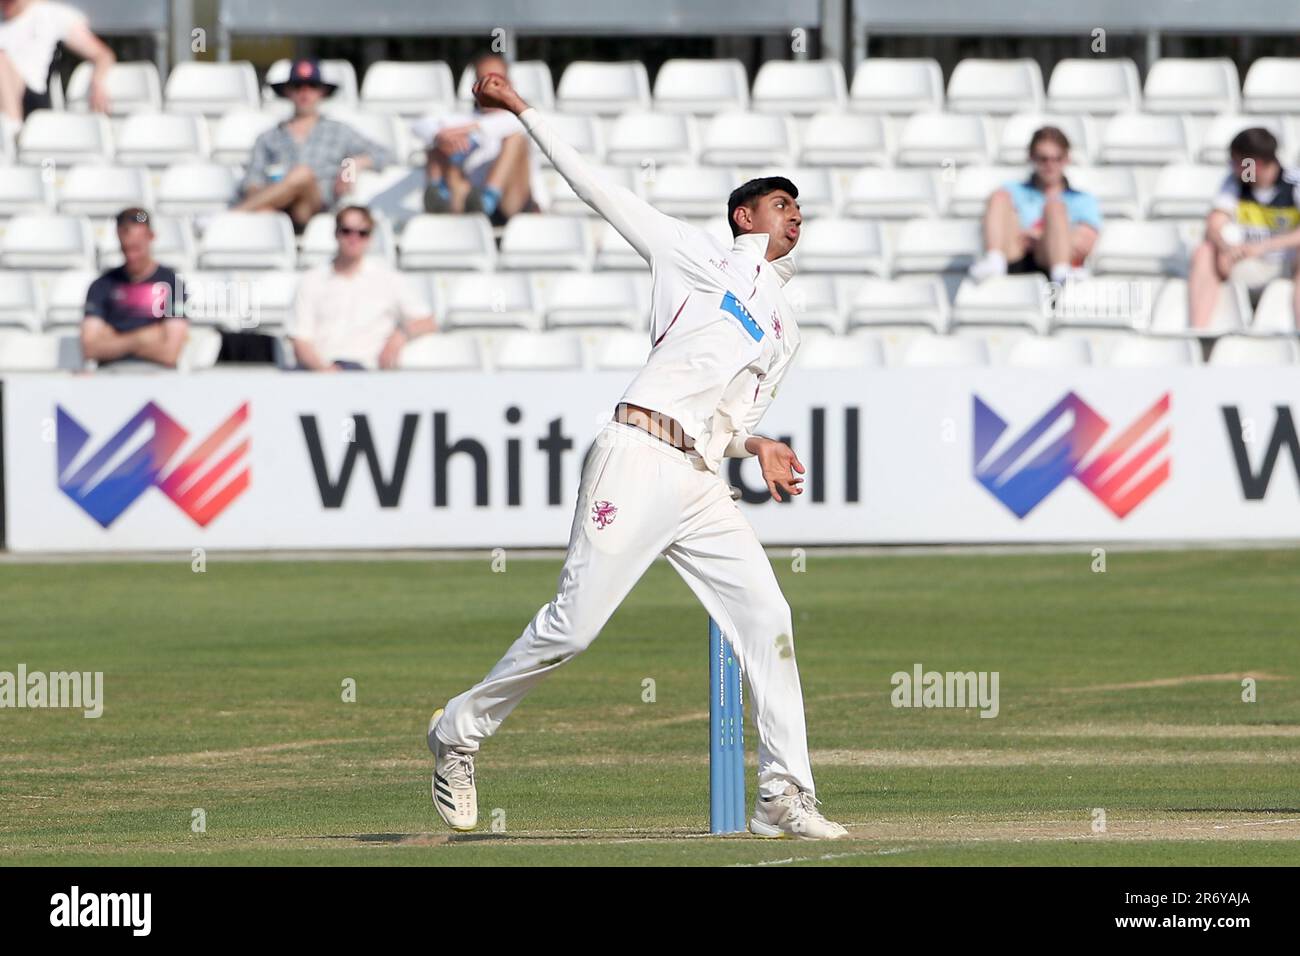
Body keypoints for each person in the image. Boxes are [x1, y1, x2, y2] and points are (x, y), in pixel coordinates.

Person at [427, 72, 849, 841]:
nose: (795, 216)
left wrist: (758, 446)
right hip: (636, 449)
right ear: (744, 216)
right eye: (781, 204)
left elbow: (726, 424)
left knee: (770, 616)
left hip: (699, 480)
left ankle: (783, 792)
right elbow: (594, 186)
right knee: (573, 629)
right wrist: (521, 109)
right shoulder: (696, 256)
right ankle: (458, 731)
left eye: (799, 207)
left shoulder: (786, 330)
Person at [236, 58, 392, 231]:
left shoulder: (338, 131)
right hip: (277, 212)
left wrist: (353, 164)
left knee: (302, 174)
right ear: (288, 91)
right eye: (298, 86)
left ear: (322, 92)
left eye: (312, 86)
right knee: (266, 212)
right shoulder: (268, 137)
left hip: (319, 208)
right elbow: (252, 183)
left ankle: (232, 216)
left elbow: (385, 154)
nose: (305, 92)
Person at [288, 205, 437, 370]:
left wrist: (400, 335)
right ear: (336, 233)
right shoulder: (311, 280)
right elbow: (300, 339)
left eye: (362, 233)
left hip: (365, 373)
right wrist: (323, 370)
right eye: (347, 231)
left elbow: (428, 321)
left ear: (370, 238)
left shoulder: (389, 279)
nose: (354, 238)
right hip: (317, 372)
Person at [1189, 127, 1300, 330]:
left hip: (1286, 266)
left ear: (1254, 164)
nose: (1233, 168)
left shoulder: (1295, 182)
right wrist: (1225, 247)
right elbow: (1215, 223)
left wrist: (1263, 246)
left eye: (1237, 162)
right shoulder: (1235, 183)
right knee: (1204, 251)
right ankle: (1199, 333)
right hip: (1245, 265)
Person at [411, 52, 535, 223]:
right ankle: (439, 195)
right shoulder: (466, 118)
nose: (491, 87)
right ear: (475, 86)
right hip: (469, 201)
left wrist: (468, 131)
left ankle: (488, 197)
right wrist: (441, 137)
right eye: (485, 80)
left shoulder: (520, 117)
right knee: (436, 143)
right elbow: (419, 126)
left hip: (512, 204)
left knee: (515, 140)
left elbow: (519, 123)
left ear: (510, 84)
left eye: (498, 80)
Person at [968, 126, 1101, 285]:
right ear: (1031, 157)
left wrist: (1041, 237)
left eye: (1056, 158)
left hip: (1052, 263)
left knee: (1055, 208)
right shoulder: (1011, 191)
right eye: (1043, 159)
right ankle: (994, 261)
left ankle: (1060, 271)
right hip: (1015, 258)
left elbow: (1084, 244)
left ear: (1066, 159)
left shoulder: (1082, 199)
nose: (1050, 165)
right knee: (999, 197)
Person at [81, 208, 188, 369]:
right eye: (125, 249)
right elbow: (90, 348)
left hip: (157, 377)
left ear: (151, 237)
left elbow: (170, 352)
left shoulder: (173, 284)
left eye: (137, 249)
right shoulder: (102, 285)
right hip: (111, 377)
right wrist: (143, 338)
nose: (131, 256)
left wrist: (114, 338)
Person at [0, 0, 115, 122]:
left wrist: (97, 83)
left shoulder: (52, 15)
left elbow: (102, 55)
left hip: (32, 100)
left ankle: (11, 132)